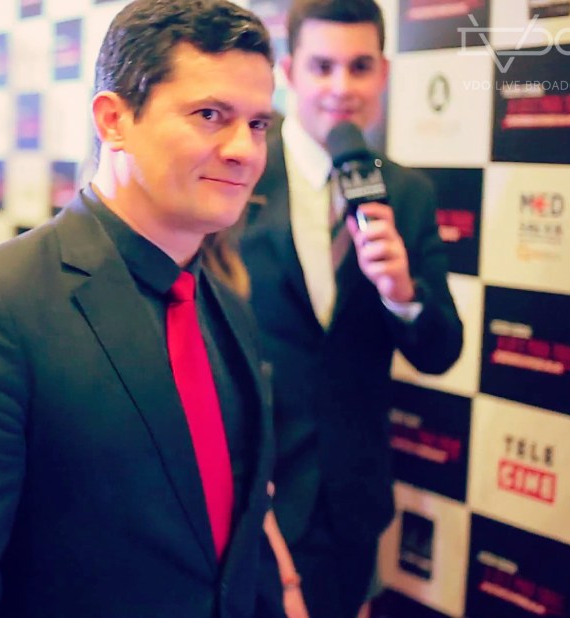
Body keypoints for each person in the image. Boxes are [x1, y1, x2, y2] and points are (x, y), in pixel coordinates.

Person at [0, 1, 284, 616]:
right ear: (114, 120)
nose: (243, 150)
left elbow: (230, 553)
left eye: (257, 124)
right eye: (210, 115)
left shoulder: (229, 309)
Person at [238, 1, 464, 616]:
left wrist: (402, 294)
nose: (342, 87)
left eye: (359, 67)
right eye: (323, 66)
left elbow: (441, 349)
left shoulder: (407, 194)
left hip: (350, 503)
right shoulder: (238, 175)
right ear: (289, 71)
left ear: (383, 73)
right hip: (246, 495)